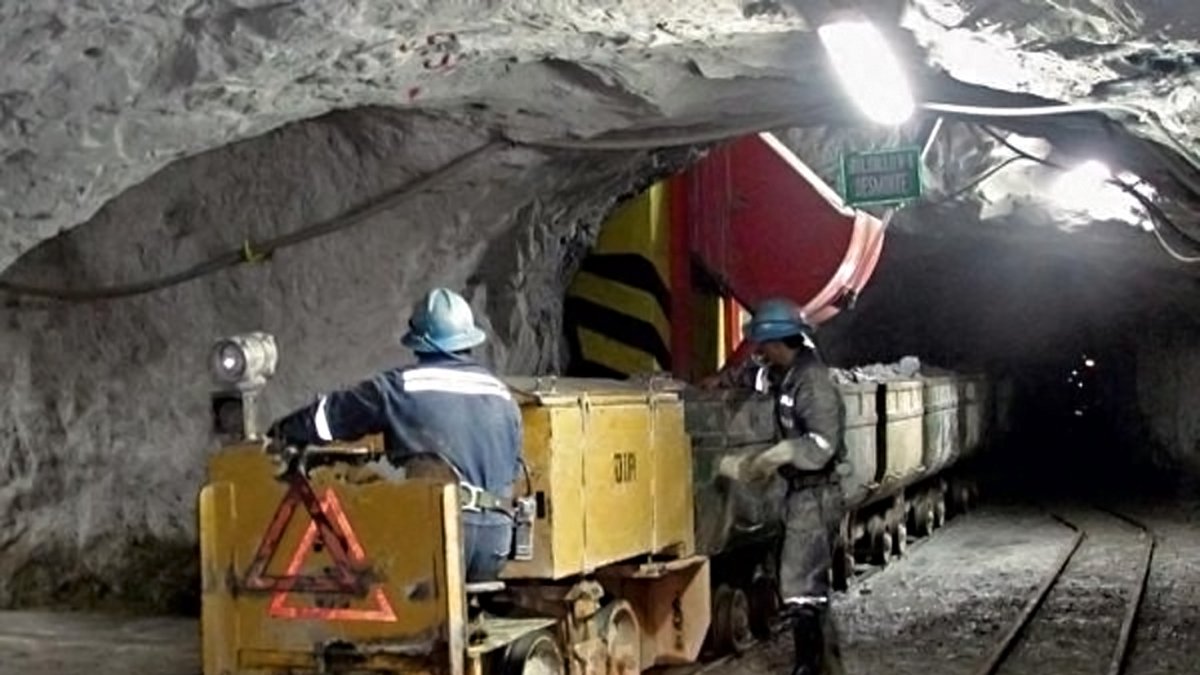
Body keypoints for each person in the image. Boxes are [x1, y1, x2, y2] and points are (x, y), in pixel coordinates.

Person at [269, 287, 522, 583]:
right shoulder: (502, 395)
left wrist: (279, 434)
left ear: (418, 341)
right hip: (494, 548)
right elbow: (512, 471)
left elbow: (324, 421)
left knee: (348, 530)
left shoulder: (400, 387)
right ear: (469, 339)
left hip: (437, 542)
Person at [701, 298, 846, 675]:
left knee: (802, 586)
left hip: (817, 494)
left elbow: (824, 443)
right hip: (800, 494)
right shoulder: (785, 373)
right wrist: (720, 382)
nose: (759, 352)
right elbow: (754, 377)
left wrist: (780, 453)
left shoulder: (812, 382)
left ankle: (811, 667)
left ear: (780, 341)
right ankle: (820, 666)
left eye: (763, 345)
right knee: (802, 583)